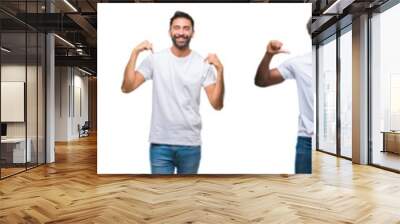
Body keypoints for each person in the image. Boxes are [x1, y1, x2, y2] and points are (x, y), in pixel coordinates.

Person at [121, 11, 225, 174]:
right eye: (177, 28)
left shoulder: (202, 63)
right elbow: (127, 87)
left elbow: (217, 104)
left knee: (187, 196)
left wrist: (220, 71)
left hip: (190, 144)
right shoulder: (155, 60)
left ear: (192, 33)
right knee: (162, 197)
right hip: (160, 144)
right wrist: (134, 52)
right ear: (170, 31)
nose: (181, 32)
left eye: (186, 28)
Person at [254, 20, 313, 174]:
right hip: (307, 139)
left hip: (341, 140)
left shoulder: (345, 57)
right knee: (302, 190)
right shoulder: (299, 63)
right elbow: (262, 81)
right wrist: (268, 55)